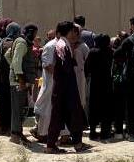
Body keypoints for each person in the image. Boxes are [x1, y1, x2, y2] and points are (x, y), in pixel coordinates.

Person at [46, 21, 91, 153]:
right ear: (68, 32)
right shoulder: (62, 45)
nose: (74, 34)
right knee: (68, 115)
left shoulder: (64, 44)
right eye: (73, 31)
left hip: (63, 87)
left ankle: (72, 144)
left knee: (65, 116)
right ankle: (57, 145)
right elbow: (64, 64)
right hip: (65, 88)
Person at [8, 24, 38, 145]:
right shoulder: (21, 43)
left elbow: (8, 56)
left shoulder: (22, 42)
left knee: (21, 108)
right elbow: (16, 60)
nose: (35, 36)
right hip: (19, 81)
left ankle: (18, 133)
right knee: (17, 108)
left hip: (22, 80)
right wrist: (20, 77)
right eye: (34, 33)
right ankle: (15, 134)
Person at [33, 27, 60, 142]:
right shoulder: (50, 46)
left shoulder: (61, 45)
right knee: (45, 108)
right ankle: (42, 133)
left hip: (55, 83)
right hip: (50, 83)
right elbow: (48, 65)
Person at [0, 21, 19, 134]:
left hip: (1, 77)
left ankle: (2, 127)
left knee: (2, 102)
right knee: (10, 103)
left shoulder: (1, 42)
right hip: (10, 78)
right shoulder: (13, 43)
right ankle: (9, 128)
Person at [86, 34, 113, 140]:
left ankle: (92, 131)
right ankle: (105, 132)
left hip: (95, 83)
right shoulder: (111, 52)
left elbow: (87, 68)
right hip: (107, 83)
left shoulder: (92, 52)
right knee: (106, 107)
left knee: (93, 106)